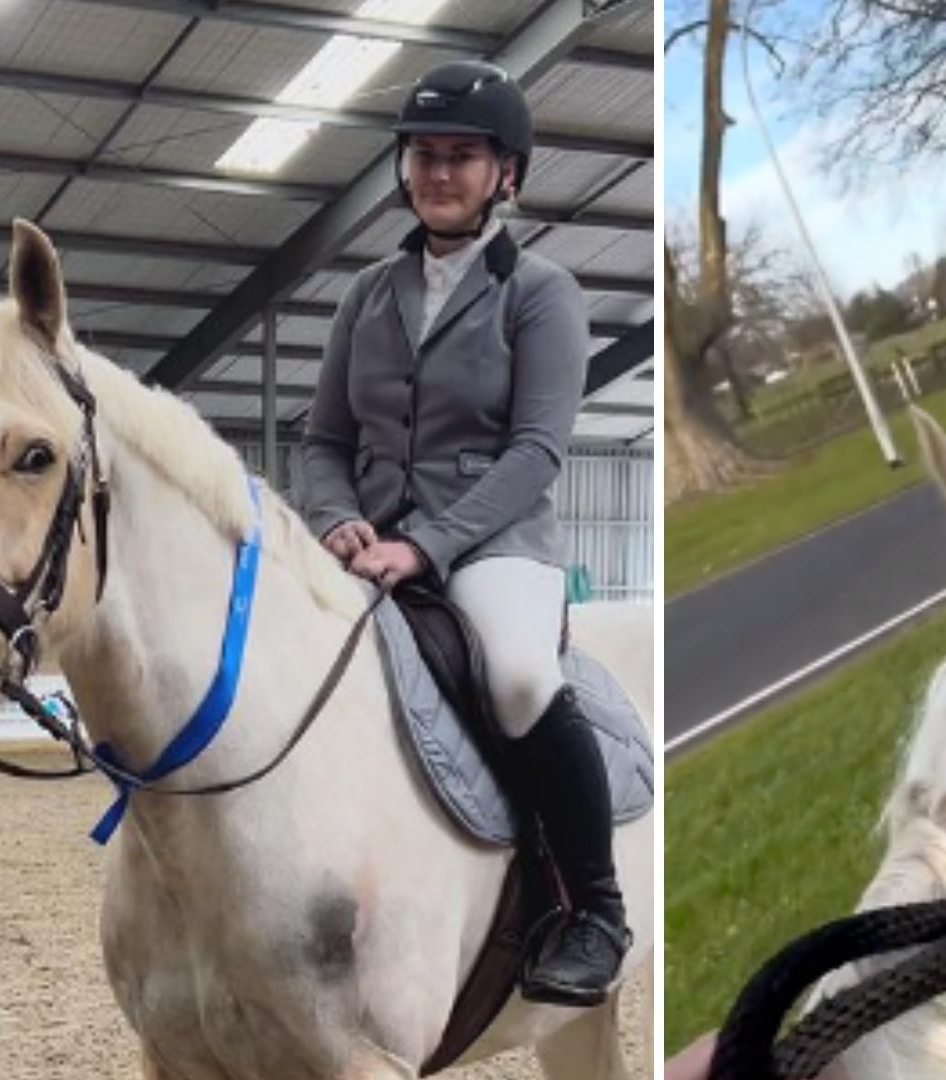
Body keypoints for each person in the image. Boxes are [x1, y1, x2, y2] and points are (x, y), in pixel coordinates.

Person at [298, 59, 629, 1006]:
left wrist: (428, 545)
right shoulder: (365, 295)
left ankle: (595, 910)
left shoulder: (544, 293)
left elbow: (536, 451)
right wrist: (335, 520)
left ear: (505, 175)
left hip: (496, 546)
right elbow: (325, 439)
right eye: (424, 156)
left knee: (520, 676)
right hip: (367, 545)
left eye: (461, 158)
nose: (438, 173)